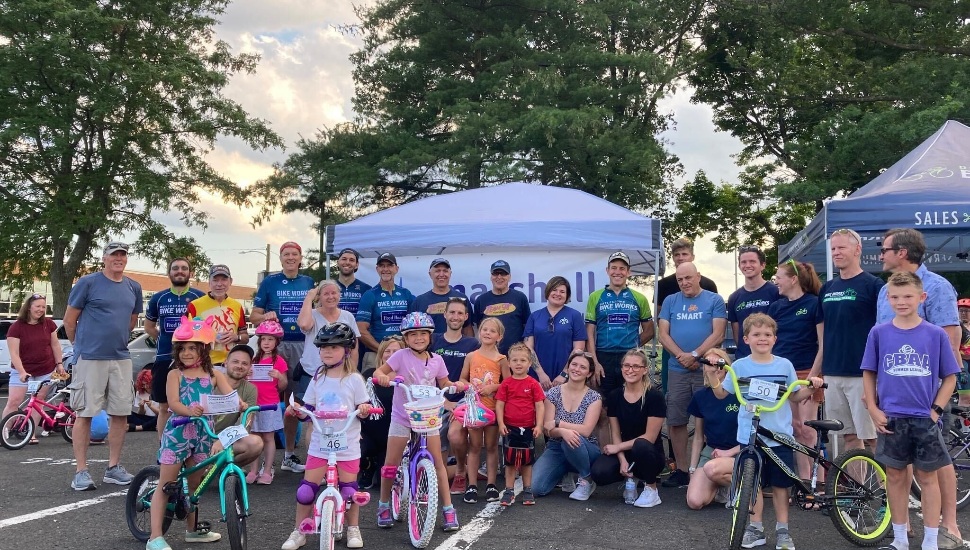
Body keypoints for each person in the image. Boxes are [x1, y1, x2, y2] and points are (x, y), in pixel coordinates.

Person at [874, 228, 964, 549]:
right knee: (900, 467)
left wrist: (937, 402)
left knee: (936, 462)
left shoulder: (937, 287)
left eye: (884, 249)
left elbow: (951, 340)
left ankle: (949, 524)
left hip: (930, 390)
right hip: (896, 395)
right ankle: (904, 530)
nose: (880, 254)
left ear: (901, 252)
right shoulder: (885, 292)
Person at [713, 313, 823, 550]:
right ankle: (756, 528)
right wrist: (715, 375)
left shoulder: (784, 365)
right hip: (749, 436)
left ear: (775, 339)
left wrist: (811, 387)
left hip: (779, 435)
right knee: (753, 484)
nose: (762, 339)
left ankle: (783, 531)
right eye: (756, 335)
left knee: (781, 485)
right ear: (745, 339)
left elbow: (794, 395)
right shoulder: (740, 366)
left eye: (767, 335)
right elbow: (722, 394)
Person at [280, 322, 373, 550]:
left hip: (347, 444)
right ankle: (299, 531)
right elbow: (309, 405)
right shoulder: (318, 377)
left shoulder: (354, 379)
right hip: (321, 443)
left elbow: (364, 404)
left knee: (349, 490)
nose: (327, 351)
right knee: (306, 490)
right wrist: (299, 410)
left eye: (334, 347)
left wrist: (364, 409)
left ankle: (353, 528)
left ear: (347, 350)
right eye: (323, 348)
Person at [147, 316, 237, 550]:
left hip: (203, 434)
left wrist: (240, 404)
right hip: (178, 433)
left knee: (194, 486)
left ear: (204, 350)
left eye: (193, 348)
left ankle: (192, 530)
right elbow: (173, 403)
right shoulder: (174, 374)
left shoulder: (214, 374)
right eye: (183, 348)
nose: (187, 353)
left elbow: (230, 396)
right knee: (166, 485)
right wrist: (189, 411)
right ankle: (154, 536)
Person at [373, 312, 465, 532]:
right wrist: (384, 377)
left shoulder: (437, 359)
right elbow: (380, 370)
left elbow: (443, 381)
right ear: (406, 338)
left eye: (423, 334)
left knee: (437, 464)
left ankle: (448, 509)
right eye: (413, 334)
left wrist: (455, 385)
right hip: (403, 416)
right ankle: (384, 504)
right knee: (390, 464)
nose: (419, 338)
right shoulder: (400, 356)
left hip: (428, 416)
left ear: (430, 336)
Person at [64, 241, 142, 491]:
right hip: (90, 358)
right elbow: (69, 320)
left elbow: (131, 321)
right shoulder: (87, 282)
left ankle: (113, 468)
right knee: (85, 413)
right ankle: (81, 471)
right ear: (104, 258)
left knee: (120, 414)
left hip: (120, 357)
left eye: (123, 255)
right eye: (114, 255)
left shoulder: (133, 287)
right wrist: (80, 346)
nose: (119, 258)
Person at [807, 228, 883, 455]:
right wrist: (814, 373)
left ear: (857, 249)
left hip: (862, 374)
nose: (836, 253)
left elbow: (883, 334)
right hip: (833, 373)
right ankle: (856, 489)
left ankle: (889, 489)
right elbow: (824, 338)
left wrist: (878, 378)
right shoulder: (827, 288)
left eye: (842, 247)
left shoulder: (874, 285)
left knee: (873, 437)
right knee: (849, 437)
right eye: (833, 249)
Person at [657, 261, 727, 489]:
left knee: (708, 420)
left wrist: (696, 355)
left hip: (706, 371)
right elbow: (663, 334)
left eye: (688, 278)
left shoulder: (714, 300)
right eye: (680, 279)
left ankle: (706, 468)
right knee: (676, 420)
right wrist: (681, 356)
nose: (684, 283)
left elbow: (718, 333)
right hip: (678, 370)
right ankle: (683, 469)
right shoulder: (670, 301)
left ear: (698, 276)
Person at [250, 241, 316, 475]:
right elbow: (254, 315)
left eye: (294, 254)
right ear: (281, 258)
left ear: (300, 258)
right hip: (273, 344)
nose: (290, 258)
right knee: (262, 395)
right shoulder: (270, 282)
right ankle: (255, 457)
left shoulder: (309, 283)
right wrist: (265, 315)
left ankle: (288, 455)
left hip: (302, 343)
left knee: (294, 403)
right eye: (286, 254)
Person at [767, 260, 823, 480]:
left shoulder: (814, 304)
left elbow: (822, 344)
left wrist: (812, 377)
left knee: (808, 430)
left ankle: (815, 483)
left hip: (808, 371)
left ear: (793, 279)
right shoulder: (776, 307)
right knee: (795, 429)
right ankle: (803, 480)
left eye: (779, 277)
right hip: (783, 373)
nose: (776, 282)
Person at [590, 348, 667, 508]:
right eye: (626, 365)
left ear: (645, 370)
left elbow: (649, 437)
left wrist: (617, 447)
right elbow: (615, 433)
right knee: (599, 473)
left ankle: (651, 489)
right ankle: (631, 476)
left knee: (641, 444)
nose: (630, 370)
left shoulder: (654, 396)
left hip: (649, 453)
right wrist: (622, 459)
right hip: (625, 451)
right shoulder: (615, 396)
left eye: (636, 366)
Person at [532, 350, 603, 500]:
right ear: (568, 367)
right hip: (556, 447)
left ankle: (586, 478)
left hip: (586, 448)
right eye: (574, 365)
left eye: (582, 367)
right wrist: (562, 432)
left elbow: (586, 430)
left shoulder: (594, 397)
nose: (577, 369)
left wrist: (560, 425)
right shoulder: (553, 393)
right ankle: (565, 470)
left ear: (589, 373)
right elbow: (547, 430)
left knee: (571, 437)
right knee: (535, 488)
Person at [144, 257, 204, 433]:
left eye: (184, 268)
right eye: (175, 268)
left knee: (195, 405)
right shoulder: (158, 298)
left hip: (193, 360)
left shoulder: (199, 297)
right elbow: (149, 327)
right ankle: (163, 451)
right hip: (165, 357)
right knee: (164, 407)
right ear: (169, 273)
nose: (180, 271)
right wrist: (167, 340)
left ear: (190, 273)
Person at [585, 251, 654, 396]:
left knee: (630, 398)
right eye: (614, 267)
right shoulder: (595, 297)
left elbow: (650, 330)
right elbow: (589, 332)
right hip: (603, 356)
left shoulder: (639, 298)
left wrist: (633, 345)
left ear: (629, 272)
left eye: (622, 268)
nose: (618, 272)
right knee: (603, 402)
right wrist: (594, 362)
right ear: (607, 270)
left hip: (629, 356)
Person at [656, 238, 719, 394]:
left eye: (684, 254)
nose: (680, 257)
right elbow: (660, 320)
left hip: (704, 356)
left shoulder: (709, 285)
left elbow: (717, 329)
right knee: (673, 397)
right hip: (673, 353)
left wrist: (695, 355)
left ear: (692, 256)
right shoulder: (663, 285)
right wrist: (681, 356)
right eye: (677, 254)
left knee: (705, 400)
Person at [458, 317, 510, 504]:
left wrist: (493, 388)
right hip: (475, 409)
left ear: (499, 336)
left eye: (492, 331)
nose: (487, 333)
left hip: (493, 409)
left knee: (491, 446)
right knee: (474, 446)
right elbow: (462, 379)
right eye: (484, 329)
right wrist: (468, 386)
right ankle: (471, 485)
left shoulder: (501, 359)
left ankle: (491, 484)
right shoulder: (471, 356)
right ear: (479, 333)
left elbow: (508, 383)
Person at [3, 293, 65, 442]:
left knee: (38, 401)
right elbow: (14, 354)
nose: (41, 309)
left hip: (45, 369)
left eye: (43, 307)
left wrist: (59, 364)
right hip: (22, 370)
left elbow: (55, 345)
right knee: (13, 401)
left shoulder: (48, 324)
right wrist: (22, 372)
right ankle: (4, 431)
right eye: (37, 306)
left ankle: (31, 434)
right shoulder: (16, 327)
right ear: (29, 307)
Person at [434, 297, 480, 496]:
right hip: (435, 399)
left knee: (454, 434)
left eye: (460, 313)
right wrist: (444, 402)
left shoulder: (472, 344)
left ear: (466, 317)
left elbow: (475, 378)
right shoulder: (432, 340)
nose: (455, 316)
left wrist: (459, 404)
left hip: (461, 400)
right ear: (445, 314)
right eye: (451, 312)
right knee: (437, 470)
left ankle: (461, 469)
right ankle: (458, 471)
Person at [685, 348, 741, 510]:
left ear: (727, 367)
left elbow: (754, 432)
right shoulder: (701, 396)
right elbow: (698, 436)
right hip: (712, 451)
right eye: (709, 363)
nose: (715, 367)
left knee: (712, 469)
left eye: (719, 364)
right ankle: (721, 487)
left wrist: (730, 452)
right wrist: (693, 468)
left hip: (738, 451)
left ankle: (740, 487)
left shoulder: (739, 393)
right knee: (694, 502)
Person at [496, 342, 546, 506]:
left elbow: (539, 405)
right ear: (509, 363)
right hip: (510, 428)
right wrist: (501, 423)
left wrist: (539, 425)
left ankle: (527, 489)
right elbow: (500, 404)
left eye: (523, 360)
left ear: (529, 363)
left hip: (528, 428)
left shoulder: (533, 383)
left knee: (527, 461)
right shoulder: (506, 383)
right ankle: (509, 490)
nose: (518, 364)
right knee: (510, 461)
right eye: (515, 360)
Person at [524, 276, 587, 389]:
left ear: (567, 295)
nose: (558, 294)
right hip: (537, 379)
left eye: (562, 291)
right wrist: (541, 374)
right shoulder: (534, 316)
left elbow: (579, 349)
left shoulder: (574, 316)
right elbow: (528, 348)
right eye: (554, 290)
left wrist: (564, 373)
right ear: (548, 291)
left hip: (566, 378)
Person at [245, 320, 289, 485]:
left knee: (269, 437)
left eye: (270, 339)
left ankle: (268, 469)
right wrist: (246, 374)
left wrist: (279, 376)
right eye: (263, 339)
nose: (266, 343)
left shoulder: (279, 361)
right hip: (253, 404)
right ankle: (253, 470)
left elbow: (283, 386)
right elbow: (244, 382)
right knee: (253, 437)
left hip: (270, 404)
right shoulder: (253, 359)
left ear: (276, 342)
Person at [356, 252, 415, 372]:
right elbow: (361, 329)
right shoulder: (370, 295)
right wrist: (382, 350)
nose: (385, 269)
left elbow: (414, 326)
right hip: (375, 354)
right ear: (377, 269)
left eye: (389, 265)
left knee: (403, 389)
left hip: (403, 354)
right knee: (373, 390)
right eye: (382, 266)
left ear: (396, 269)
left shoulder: (405, 294)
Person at [210, 345, 264, 467]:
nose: (239, 366)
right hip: (201, 437)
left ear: (250, 367)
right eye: (235, 361)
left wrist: (223, 441)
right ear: (225, 362)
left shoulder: (250, 389)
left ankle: (224, 467)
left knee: (256, 443)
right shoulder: (211, 382)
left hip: (226, 439)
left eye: (245, 363)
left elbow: (246, 425)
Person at [186, 264, 249, 367]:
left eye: (224, 280)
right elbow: (185, 337)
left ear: (230, 281)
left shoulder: (237, 306)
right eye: (215, 280)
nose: (219, 284)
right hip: (203, 365)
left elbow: (245, 338)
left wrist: (236, 337)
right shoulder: (194, 305)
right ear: (209, 282)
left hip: (230, 366)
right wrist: (208, 337)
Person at [358, 336, 401, 489]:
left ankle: (378, 464)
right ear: (381, 354)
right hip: (369, 432)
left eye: (395, 351)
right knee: (357, 449)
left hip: (393, 434)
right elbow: (357, 402)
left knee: (384, 482)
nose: (390, 354)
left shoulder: (407, 377)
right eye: (387, 351)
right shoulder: (369, 375)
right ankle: (367, 465)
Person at [727, 245, 780, 359]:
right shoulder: (734, 297)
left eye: (752, 261)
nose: (747, 265)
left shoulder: (776, 292)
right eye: (744, 262)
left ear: (762, 265)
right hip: (745, 359)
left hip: (772, 358)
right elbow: (737, 334)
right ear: (739, 266)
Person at [298, 280, 360, 376]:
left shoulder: (348, 316)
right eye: (326, 294)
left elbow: (354, 347)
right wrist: (309, 297)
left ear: (339, 295)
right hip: (312, 372)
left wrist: (351, 372)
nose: (330, 297)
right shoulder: (312, 314)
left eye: (334, 293)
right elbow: (304, 325)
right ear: (319, 297)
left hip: (339, 373)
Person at [472, 260, 531, 355]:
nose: (499, 277)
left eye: (503, 274)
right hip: (489, 355)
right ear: (491, 277)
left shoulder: (520, 298)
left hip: (514, 357)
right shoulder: (481, 300)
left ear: (509, 277)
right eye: (495, 273)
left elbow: (528, 327)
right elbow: (477, 328)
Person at [412, 257, 473, 335]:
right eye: (437, 271)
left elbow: (467, 328)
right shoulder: (419, 301)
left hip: (457, 346)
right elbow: (412, 331)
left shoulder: (462, 299)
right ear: (430, 274)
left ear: (450, 273)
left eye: (445, 271)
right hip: (430, 347)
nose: (441, 274)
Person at [334, 248, 372, 315]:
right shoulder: (328, 288)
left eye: (351, 260)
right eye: (344, 259)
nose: (347, 262)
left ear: (356, 265)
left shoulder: (367, 289)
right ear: (337, 263)